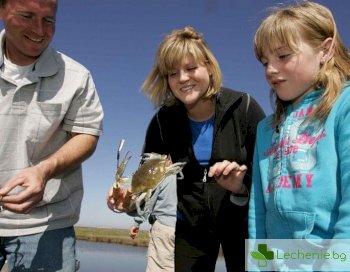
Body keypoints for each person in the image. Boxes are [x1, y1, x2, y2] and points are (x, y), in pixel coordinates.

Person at [140, 26, 265, 271]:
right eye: (173, 73)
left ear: (208, 66)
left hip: (245, 225)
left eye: (191, 68)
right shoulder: (162, 123)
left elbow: (269, 174)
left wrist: (241, 186)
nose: (183, 78)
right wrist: (130, 201)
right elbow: (146, 183)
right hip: (189, 228)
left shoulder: (245, 107)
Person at [0, 0, 103, 271]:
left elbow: (87, 135)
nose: (39, 29)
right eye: (27, 15)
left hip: (47, 224)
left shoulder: (78, 77)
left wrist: (44, 170)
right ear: (2, 10)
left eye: (49, 20)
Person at [248, 1, 350, 241]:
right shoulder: (266, 128)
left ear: (325, 51)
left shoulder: (344, 107)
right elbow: (257, 211)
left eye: (283, 55)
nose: (270, 69)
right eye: (265, 62)